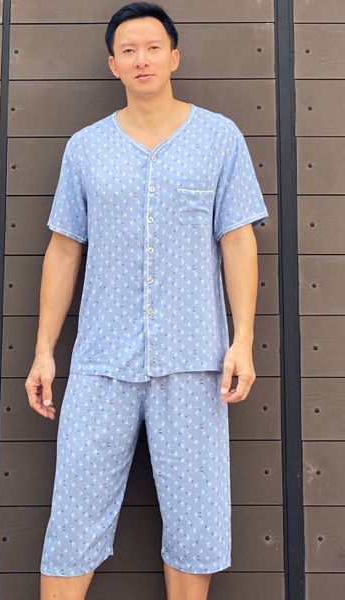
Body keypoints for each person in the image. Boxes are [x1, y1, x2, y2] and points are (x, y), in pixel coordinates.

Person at [25, 2, 270, 599]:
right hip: (101, 364)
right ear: (113, 64)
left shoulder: (219, 138)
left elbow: (238, 240)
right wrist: (44, 351)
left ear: (174, 57)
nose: (142, 59)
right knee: (72, 522)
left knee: (194, 525)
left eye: (153, 47)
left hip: (195, 365)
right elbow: (63, 250)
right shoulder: (86, 148)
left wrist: (242, 341)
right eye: (129, 50)